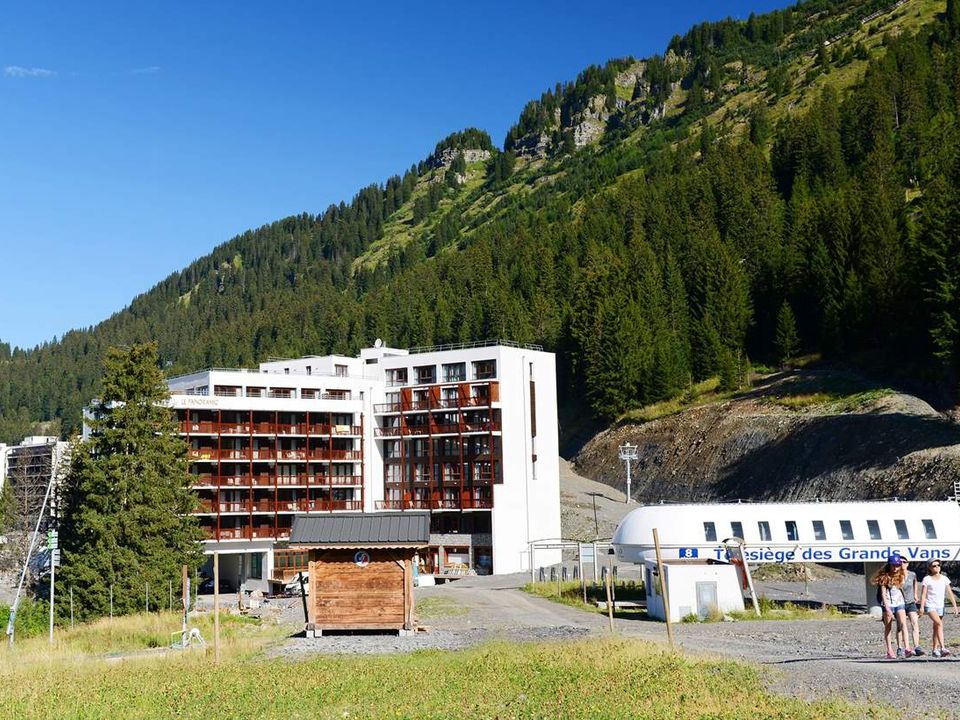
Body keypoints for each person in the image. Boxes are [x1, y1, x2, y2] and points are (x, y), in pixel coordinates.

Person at [872, 554, 910, 659]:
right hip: (888, 603)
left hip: (899, 602)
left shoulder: (902, 575)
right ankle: (889, 650)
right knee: (888, 627)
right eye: (893, 565)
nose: (895, 567)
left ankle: (907, 648)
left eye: (897, 565)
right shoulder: (884, 577)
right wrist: (887, 608)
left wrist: (903, 567)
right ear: (889, 565)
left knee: (903, 624)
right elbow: (883, 593)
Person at [919, 559, 959, 658]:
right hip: (930, 605)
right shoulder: (927, 579)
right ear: (929, 567)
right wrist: (922, 607)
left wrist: (955, 606)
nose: (937, 567)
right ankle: (942, 648)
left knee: (936, 627)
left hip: (940, 605)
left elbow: (950, 593)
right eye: (934, 566)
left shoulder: (944, 579)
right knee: (939, 623)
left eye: (938, 565)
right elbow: (923, 594)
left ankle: (934, 649)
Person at [899, 558, 925, 656]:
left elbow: (915, 583)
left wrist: (915, 595)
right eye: (900, 562)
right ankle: (904, 647)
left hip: (910, 603)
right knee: (902, 625)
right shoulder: (896, 575)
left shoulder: (912, 574)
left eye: (904, 562)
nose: (902, 564)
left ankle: (917, 646)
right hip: (900, 603)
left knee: (915, 622)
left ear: (908, 564)